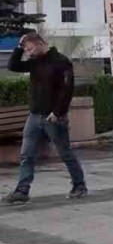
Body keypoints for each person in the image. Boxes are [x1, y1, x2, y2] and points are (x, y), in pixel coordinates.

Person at [4, 33, 87, 204]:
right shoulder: (34, 62)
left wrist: (57, 112)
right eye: (26, 50)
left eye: (30, 49)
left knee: (65, 153)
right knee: (26, 155)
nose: (29, 53)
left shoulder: (61, 61)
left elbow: (67, 89)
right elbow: (13, 66)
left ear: (41, 43)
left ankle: (79, 185)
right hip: (34, 116)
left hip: (53, 118)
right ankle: (22, 190)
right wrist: (19, 47)